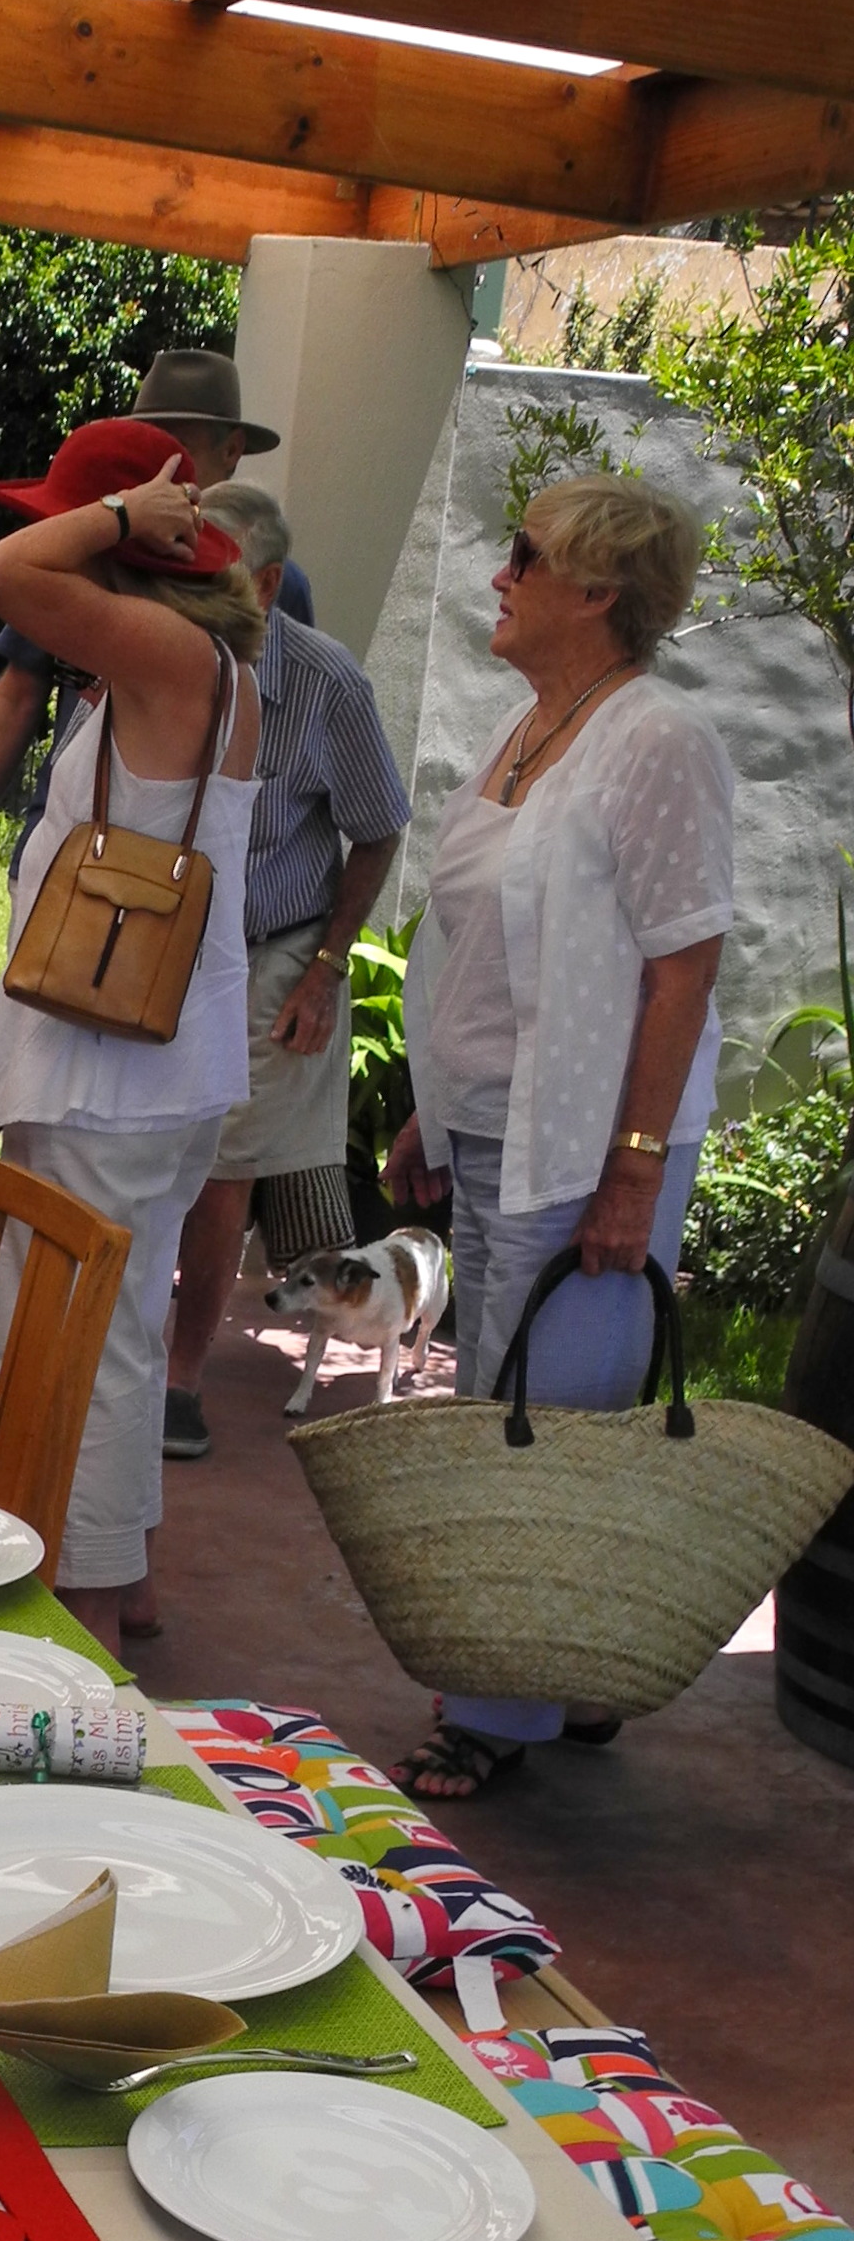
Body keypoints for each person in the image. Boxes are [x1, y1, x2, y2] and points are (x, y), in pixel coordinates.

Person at [382, 476, 733, 1801]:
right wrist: (433, 1103)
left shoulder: (658, 741)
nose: (500, 574)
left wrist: (635, 1165)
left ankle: (496, 1710)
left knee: (538, 1418)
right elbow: (484, 949)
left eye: (523, 555)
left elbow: (684, 967)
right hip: (495, 1125)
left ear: (598, 590)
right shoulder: (532, 726)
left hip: (588, 1143)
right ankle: (555, 1672)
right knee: (508, 1403)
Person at [0, 419, 264, 1656]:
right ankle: (119, 1573)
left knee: (81, 1336)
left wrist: (124, 517)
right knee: (115, 1324)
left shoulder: (167, 653)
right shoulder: (174, 664)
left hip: (113, 1073)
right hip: (138, 1065)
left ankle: (84, 1598)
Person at [160, 481, 414, 1457]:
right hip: (156, 933)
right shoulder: (147, 647)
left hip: (271, 943)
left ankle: (180, 1381)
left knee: (224, 1162)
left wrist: (326, 969)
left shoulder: (327, 683)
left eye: (209, 566)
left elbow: (379, 830)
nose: (183, 582)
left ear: (265, 584)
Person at [0, 348, 306, 938]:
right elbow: (20, 690)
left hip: (105, 960)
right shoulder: (185, 644)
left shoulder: (169, 649)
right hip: (108, 944)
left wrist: (120, 512)